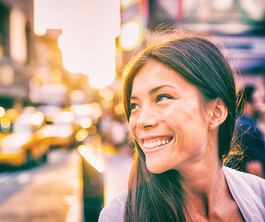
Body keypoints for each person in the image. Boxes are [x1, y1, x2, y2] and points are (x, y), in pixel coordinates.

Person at [99, 32, 265, 222]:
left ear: (216, 112)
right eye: (135, 106)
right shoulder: (119, 215)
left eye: (162, 98)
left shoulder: (259, 196)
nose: (141, 120)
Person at [237, 85, 265, 178]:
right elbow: (254, 167)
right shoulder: (248, 127)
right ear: (247, 103)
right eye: (259, 101)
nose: (262, 105)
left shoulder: (240, 122)